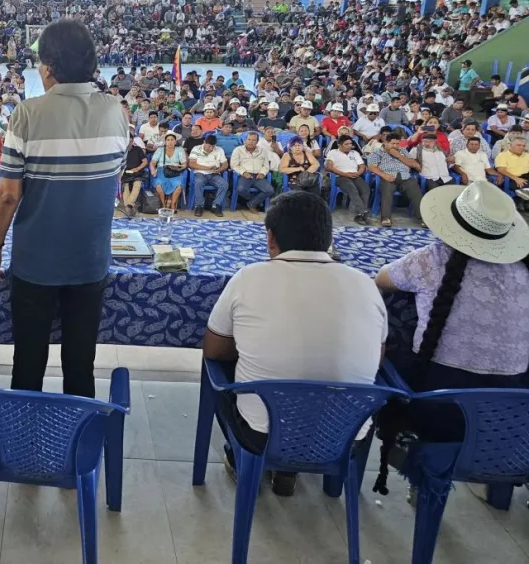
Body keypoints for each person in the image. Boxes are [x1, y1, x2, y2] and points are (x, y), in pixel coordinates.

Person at [0, 18, 127, 398]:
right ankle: (77, 448)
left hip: (36, 264)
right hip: (90, 261)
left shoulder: (27, 114)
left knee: (28, 362)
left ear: (47, 68)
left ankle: (25, 446)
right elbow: (111, 181)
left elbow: (8, 195)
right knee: (81, 364)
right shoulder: (117, 112)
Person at [203, 191, 387, 495]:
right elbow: (377, 360)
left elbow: (214, 350)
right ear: (329, 238)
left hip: (262, 433)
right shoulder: (365, 283)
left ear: (270, 237)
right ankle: (297, 471)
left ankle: (248, 458)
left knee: (224, 377)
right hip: (345, 436)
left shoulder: (249, 278)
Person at [372, 181, 529, 494]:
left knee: (392, 304)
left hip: (440, 409)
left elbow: (381, 278)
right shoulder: (523, 270)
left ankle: (397, 428)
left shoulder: (433, 258)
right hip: (514, 411)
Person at [367, 130, 424, 227]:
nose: (395, 146)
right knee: (386, 190)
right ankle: (386, 218)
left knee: (415, 191)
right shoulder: (377, 153)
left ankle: (423, 218)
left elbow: (414, 164)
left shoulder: (403, 151)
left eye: (397, 143)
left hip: (405, 177)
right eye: (393, 143)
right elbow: (372, 167)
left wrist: (398, 155)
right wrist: (384, 175)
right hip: (388, 176)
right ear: (385, 142)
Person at [325, 135, 370, 224]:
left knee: (365, 189)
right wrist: (344, 174)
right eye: (346, 144)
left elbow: (362, 166)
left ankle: (362, 214)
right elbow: (328, 167)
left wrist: (358, 173)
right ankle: (363, 212)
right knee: (351, 188)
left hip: (354, 175)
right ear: (339, 145)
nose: (350, 146)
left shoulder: (354, 153)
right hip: (340, 177)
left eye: (350, 143)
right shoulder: (333, 152)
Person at [231, 131, 273, 212]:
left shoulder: (263, 151)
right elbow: (234, 165)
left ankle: (252, 203)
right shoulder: (238, 150)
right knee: (241, 189)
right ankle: (255, 201)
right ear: (245, 140)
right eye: (249, 139)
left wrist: (262, 173)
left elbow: (266, 165)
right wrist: (243, 172)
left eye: (254, 140)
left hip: (258, 176)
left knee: (269, 190)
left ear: (257, 142)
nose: (251, 142)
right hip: (245, 175)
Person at [188, 133, 228, 217]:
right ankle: (199, 205)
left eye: (212, 146)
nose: (210, 149)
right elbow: (191, 164)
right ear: (204, 142)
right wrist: (207, 168)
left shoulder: (219, 150)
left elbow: (225, 164)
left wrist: (220, 169)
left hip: (214, 174)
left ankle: (215, 205)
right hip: (200, 173)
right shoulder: (196, 149)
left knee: (224, 184)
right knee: (199, 182)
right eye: (208, 146)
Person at [150, 131, 187, 212]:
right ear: (165, 141)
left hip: (175, 172)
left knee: (178, 186)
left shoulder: (179, 150)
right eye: (168, 140)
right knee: (159, 185)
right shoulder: (160, 150)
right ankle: (163, 205)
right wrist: (153, 170)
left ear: (175, 141)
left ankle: (173, 205)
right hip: (161, 171)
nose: (170, 142)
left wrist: (178, 169)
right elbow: (152, 163)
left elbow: (184, 164)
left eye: (172, 140)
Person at [120, 128, 148, 217]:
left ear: (133, 141)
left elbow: (145, 162)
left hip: (137, 172)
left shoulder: (138, 149)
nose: (129, 144)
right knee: (126, 187)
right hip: (125, 173)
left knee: (137, 184)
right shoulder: (121, 151)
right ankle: (130, 208)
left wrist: (137, 168)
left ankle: (128, 207)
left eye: (131, 142)